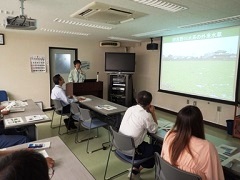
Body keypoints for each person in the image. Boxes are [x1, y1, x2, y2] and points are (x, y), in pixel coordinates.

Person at [161, 105, 224, 180]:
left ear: (178, 122)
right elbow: (215, 177)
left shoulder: (169, 135)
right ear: (199, 124)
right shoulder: (207, 147)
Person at [119, 90, 161, 179]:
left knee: (146, 146)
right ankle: (136, 169)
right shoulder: (146, 116)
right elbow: (154, 129)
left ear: (137, 100)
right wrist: (153, 112)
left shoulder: (130, 109)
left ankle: (135, 169)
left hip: (120, 145)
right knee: (157, 150)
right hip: (132, 151)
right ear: (150, 103)